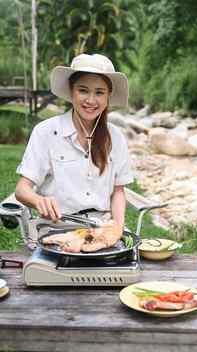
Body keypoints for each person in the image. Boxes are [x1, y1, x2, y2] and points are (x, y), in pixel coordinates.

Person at [15, 53, 134, 237]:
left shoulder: (115, 137)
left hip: (101, 229)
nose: (91, 100)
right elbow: (22, 190)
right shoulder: (46, 131)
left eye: (99, 92)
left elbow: (118, 191)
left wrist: (117, 227)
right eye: (83, 90)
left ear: (108, 96)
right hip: (55, 229)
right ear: (71, 91)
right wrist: (38, 200)